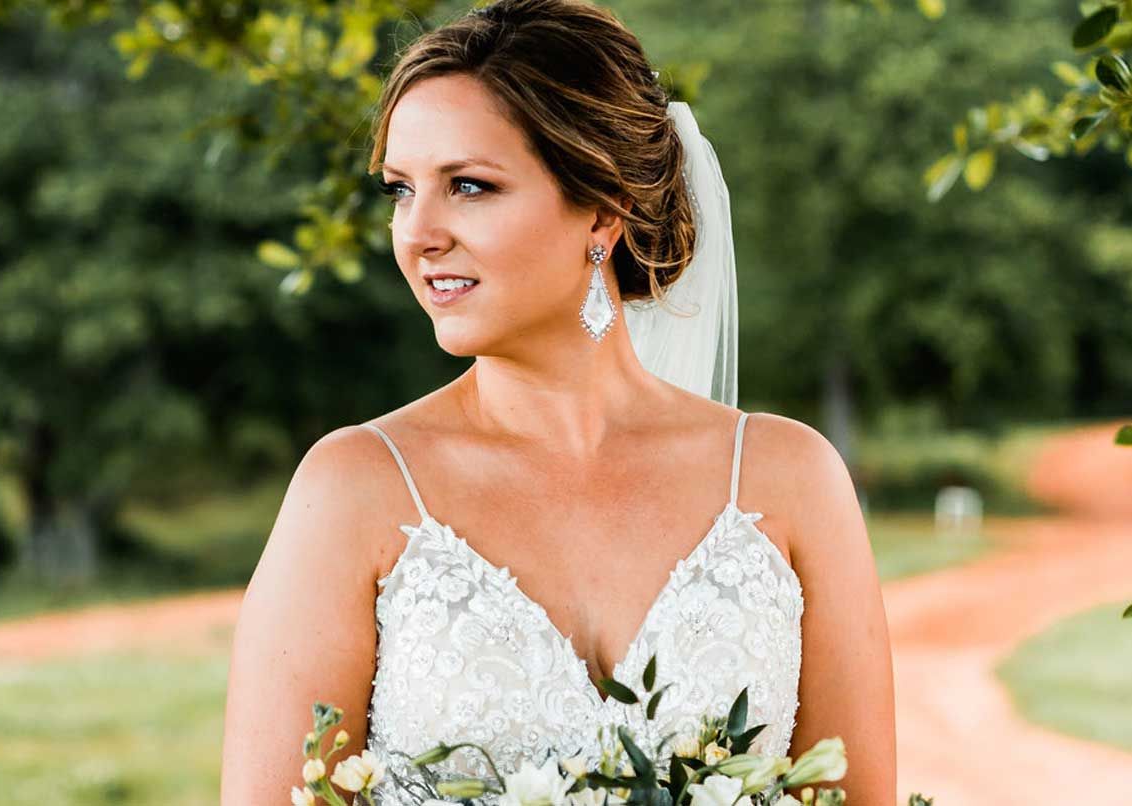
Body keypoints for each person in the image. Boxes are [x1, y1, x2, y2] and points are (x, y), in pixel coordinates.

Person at [221, 1, 895, 804]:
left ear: (603, 209)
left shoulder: (789, 478)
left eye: (468, 186)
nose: (418, 232)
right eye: (400, 190)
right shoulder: (351, 489)